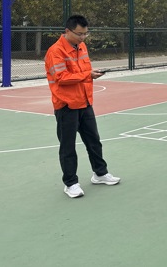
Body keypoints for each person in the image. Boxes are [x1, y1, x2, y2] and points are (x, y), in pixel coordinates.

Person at [45, 15, 120, 198]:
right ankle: (70, 183)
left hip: (85, 102)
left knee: (94, 141)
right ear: (67, 31)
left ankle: (100, 173)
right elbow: (61, 78)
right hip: (66, 105)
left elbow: (83, 71)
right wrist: (88, 75)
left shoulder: (81, 47)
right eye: (79, 34)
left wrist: (90, 73)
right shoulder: (55, 52)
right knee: (68, 146)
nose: (83, 37)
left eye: (86, 33)